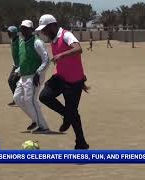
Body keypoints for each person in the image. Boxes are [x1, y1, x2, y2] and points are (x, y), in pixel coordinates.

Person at [36, 14, 90, 149]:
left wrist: (61, 55)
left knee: (73, 113)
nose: (43, 32)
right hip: (60, 77)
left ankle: (81, 143)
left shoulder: (66, 35)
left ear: (53, 26)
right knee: (44, 96)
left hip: (74, 81)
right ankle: (66, 115)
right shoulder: (52, 40)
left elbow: (78, 49)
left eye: (45, 29)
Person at [13, 20, 50, 134]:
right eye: (22, 28)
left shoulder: (37, 42)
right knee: (17, 98)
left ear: (31, 29)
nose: (23, 30)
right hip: (24, 75)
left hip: (34, 76)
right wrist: (18, 71)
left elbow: (46, 60)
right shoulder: (22, 42)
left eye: (26, 28)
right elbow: (24, 60)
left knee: (30, 101)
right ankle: (35, 119)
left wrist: (38, 73)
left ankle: (43, 127)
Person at [7, 26, 20, 106]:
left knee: (14, 81)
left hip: (21, 65)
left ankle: (19, 99)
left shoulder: (19, 41)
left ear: (14, 33)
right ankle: (17, 99)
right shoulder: (12, 40)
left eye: (9, 32)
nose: (8, 34)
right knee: (10, 81)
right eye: (8, 32)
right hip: (15, 65)